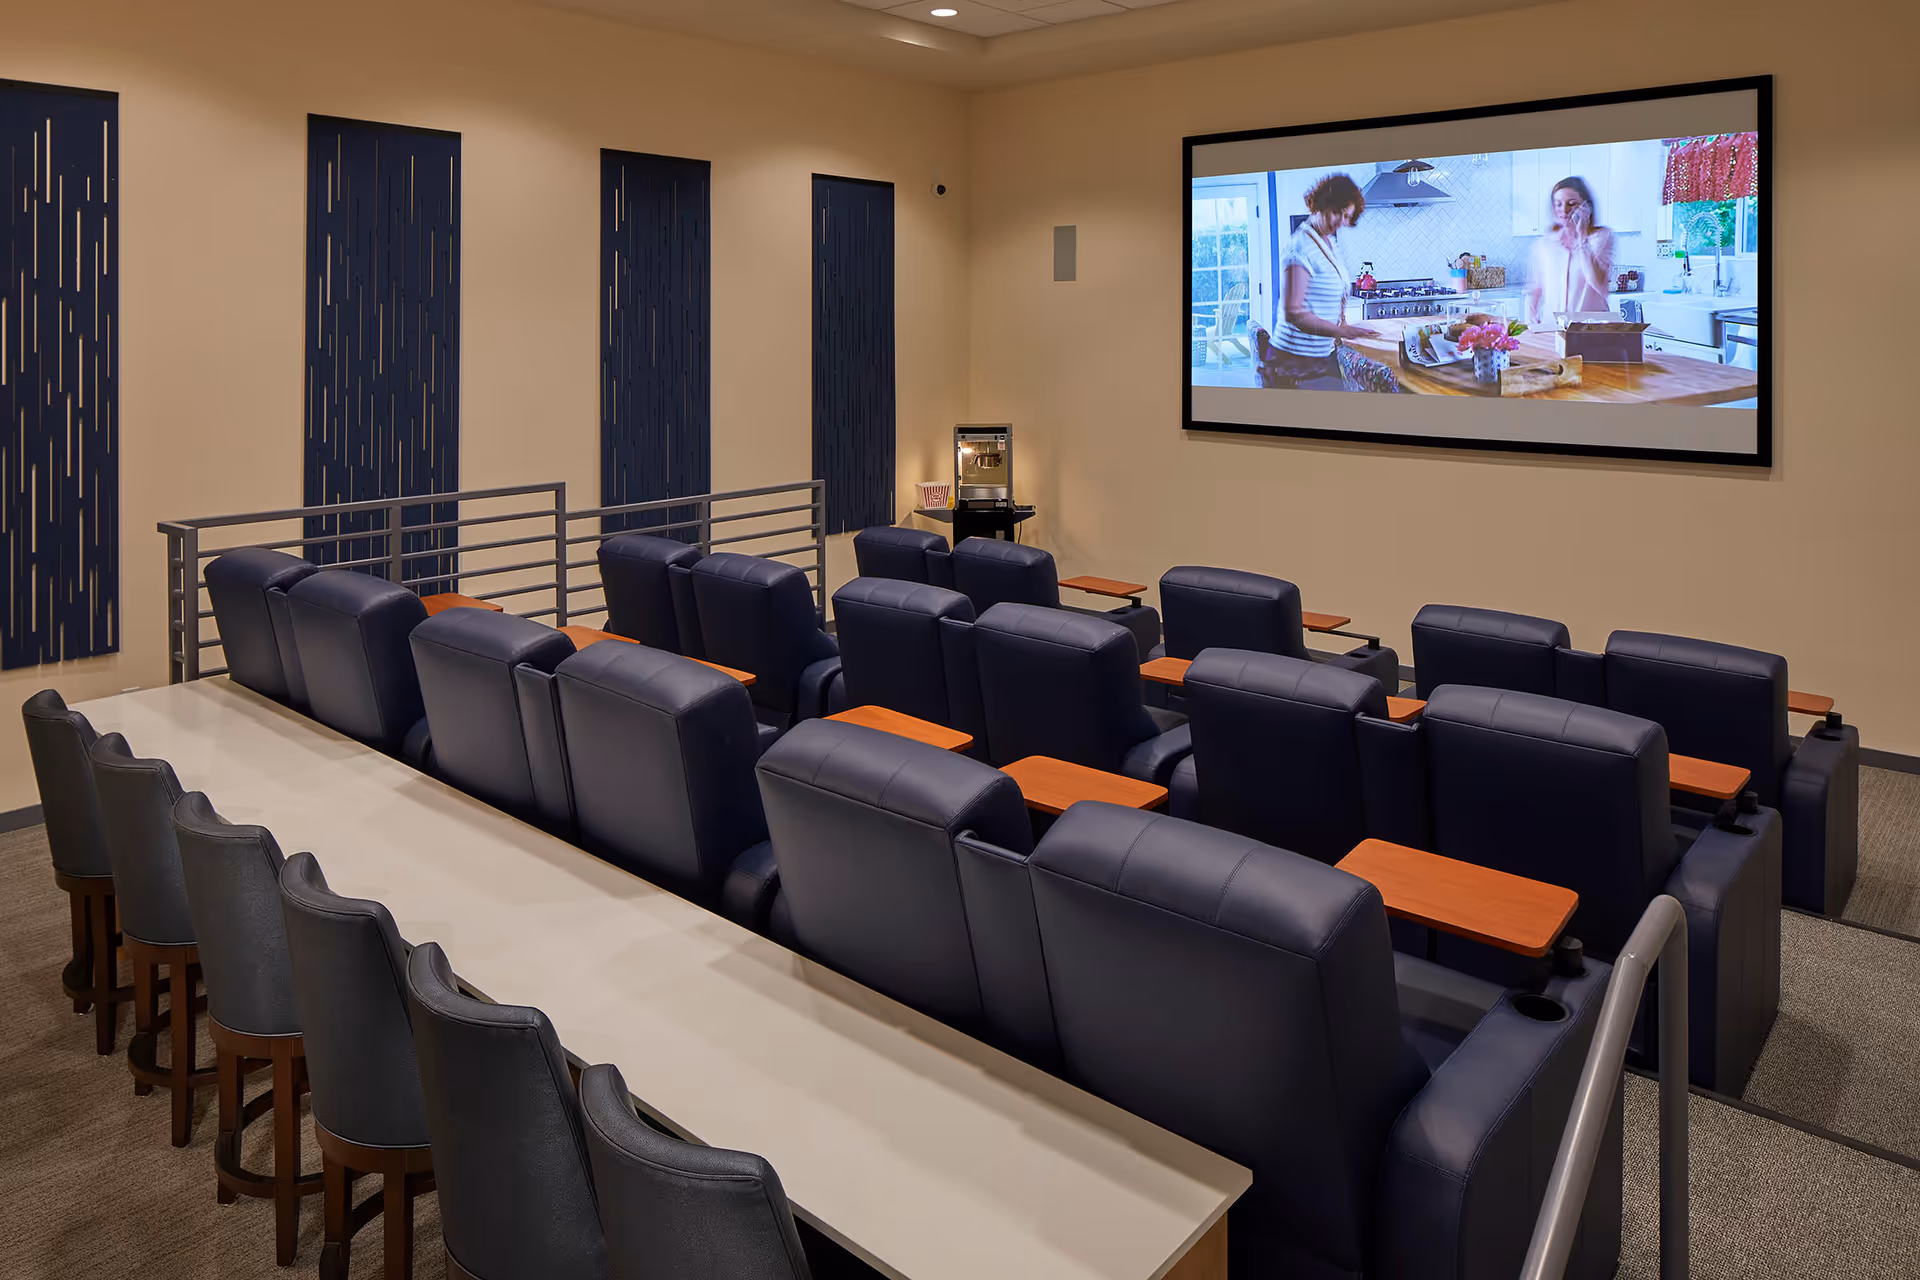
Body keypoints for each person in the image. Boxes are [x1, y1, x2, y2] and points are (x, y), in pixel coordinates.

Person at [1255, 173, 1400, 393]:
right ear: (1324, 203)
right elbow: (1294, 313)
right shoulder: (1301, 247)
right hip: (1295, 363)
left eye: (1346, 216)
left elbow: (1332, 294)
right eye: (1339, 213)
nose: (1341, 222)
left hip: (1321, 357)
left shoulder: (1329, 242)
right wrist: (1341, 332)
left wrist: (1345, 327)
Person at [1525, 176, 1614, 325]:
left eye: (1571, 204)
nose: (1564, 210)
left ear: (1586, 207)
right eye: (1558, 204)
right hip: (1552, 327)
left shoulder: (1601, 238)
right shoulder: (1546, 243)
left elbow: (1599, 285)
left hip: (1590, 329)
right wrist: (1531, 319)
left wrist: (1581, 237)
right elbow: (1535, 287)